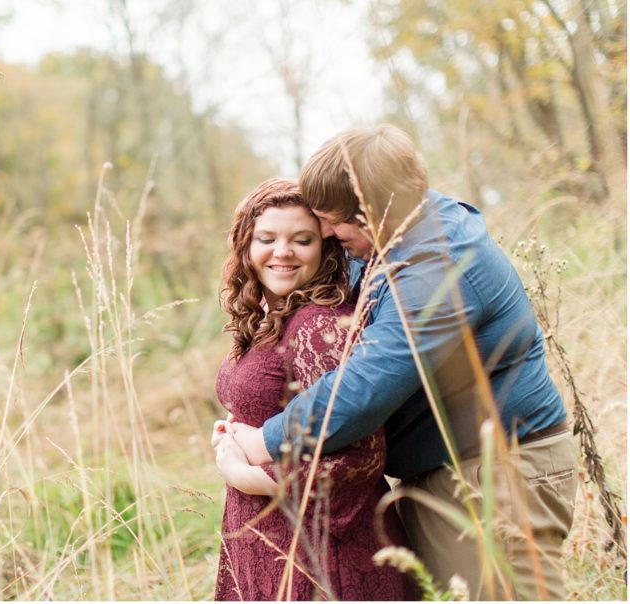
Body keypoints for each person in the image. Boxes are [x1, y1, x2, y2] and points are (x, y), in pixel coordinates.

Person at [229, 125, 576, 600]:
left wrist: (265, 441)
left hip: (499, 474)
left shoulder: (438, 264)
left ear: (375, 210)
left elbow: (365, 388)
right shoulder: (389, 238)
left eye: (334, 221)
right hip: (447, 472)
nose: (328, 233)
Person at [212, 177, 412, 601]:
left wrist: (251, 476)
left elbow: (364, 456)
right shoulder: (272, 316)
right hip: (268, 536)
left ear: (324, 247)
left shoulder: (321, 324)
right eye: (267, 238)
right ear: (246, 244)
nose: (282, 252)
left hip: (320, 551)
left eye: (301, 240)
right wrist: (236, 431)